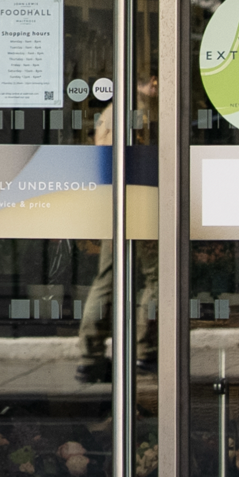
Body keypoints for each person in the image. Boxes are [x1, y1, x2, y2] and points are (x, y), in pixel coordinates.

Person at [77, 75, 160, 383]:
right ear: (150, 81)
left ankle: (91, 355)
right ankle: (145, 350)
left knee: (109, 276)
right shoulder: (137, 110)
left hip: (118, 200)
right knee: (158, 276)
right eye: (156, 80)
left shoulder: (117, 108)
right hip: (138, 199)